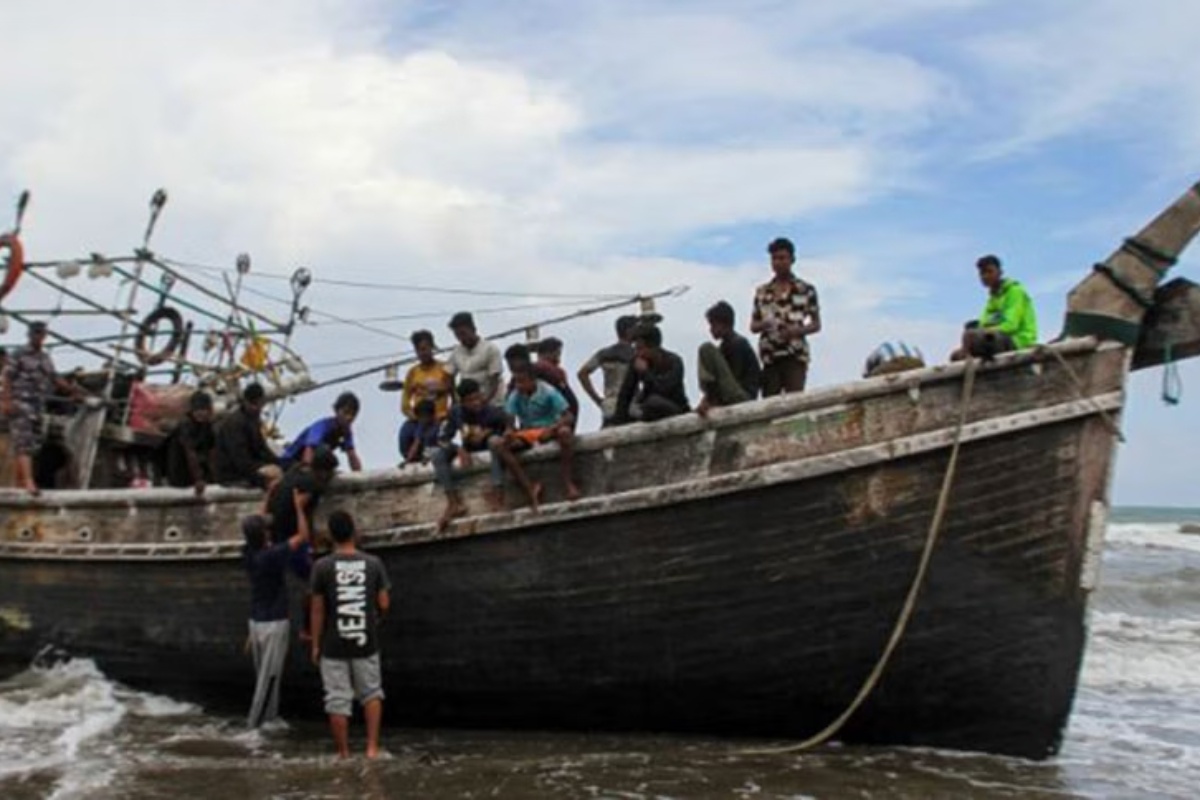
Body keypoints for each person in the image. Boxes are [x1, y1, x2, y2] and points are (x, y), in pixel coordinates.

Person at [310, 510, 391, 760]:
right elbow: (384, 603)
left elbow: (317, 610)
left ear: (331, 535)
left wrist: (315, 645)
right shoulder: (373, 563)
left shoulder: (322, 566)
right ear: (354, 531)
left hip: (333, 644)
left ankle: (344, 753)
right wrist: (376, 619)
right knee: (371, 693)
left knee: (337, 699)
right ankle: (372, 748)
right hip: (365, 640)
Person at [243, 484, 312, 728]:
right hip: (274, 623)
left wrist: (268, 495)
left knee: (264, 673)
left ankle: (268, 719)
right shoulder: (272, 555)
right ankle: (255, 727)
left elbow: (259, 523)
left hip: (256, 622)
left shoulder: (248, 552)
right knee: (270, 677)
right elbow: (302, 536)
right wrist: (299, 508)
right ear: (264, 534)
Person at [0, 321, 86, 494]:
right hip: (21, 403)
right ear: (30, 335)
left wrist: (73, 391)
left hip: (37, 405)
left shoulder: (45, 358)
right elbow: (7, 377)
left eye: (41, 334)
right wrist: (6, 401)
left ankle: (20, 483)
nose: (39, 337)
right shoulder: (19, 354)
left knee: (32, 445)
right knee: (23, 443)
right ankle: (28, 482)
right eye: (36, 333)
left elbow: (55, 378)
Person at [491, 362, 579, 511]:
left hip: (550, 429)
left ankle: (568, 482)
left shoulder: (548, 391)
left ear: (533, 380)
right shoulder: (515, 395)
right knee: (500, 445)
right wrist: (509, 433)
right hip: (528, 432)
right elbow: (510, 424)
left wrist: (554, 427)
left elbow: (568, 416)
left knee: (565, 433)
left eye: (522, 382)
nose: (519, 385)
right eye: (516, 382)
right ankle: (529, 487)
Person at [431, 378, 508, 527]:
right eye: (470, 400)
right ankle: (454, 503)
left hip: (489, 449)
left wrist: (487, 432)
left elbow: (506, 431)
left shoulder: (493, 412)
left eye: (478, 398)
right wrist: (458, 449)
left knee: (494, 443)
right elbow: (441, 439)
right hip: (469, 450)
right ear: (462, 402)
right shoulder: (456, 412)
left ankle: (498, 496)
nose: (476, 403)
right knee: (437, 455)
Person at [750, 237, 821, 396]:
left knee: (794, 401)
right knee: (770, 404)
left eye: (782, 258)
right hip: (770, 357)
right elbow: (753, 326)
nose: (778, 263)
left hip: (795, 355)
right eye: (774, 259)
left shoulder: (805, 289)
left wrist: (796, 331)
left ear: (792, 259)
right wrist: (766, 324)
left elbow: (816, 324)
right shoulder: (762, 292)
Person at [952, 255, 1039, 361]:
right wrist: (976, 328)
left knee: (972, 335)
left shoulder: (1015, 292)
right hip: (995, 337)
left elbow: (1011, 325)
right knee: (956, 355)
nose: (986, 276)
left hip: (1017, 340)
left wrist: (983, 331)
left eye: (989, 272)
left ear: (1000, 272)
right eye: (982, 273)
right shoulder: (993, 298)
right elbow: (984, 323)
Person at [613, 323, 690, 424]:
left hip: (675, 408)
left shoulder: (674, 361)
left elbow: (664, 389)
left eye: (640, 348)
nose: (637, 353)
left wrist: (646, 373)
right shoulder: (637, 361)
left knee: (653, 402)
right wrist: (618, 420)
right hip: (649, 409)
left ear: (653, 347)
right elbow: (626, 394)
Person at [696, 301, 761, 417]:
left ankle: (711, 399)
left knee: (706, 349)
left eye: (713, 325)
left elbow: (733, 378)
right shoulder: (724, 346)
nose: (711, 329)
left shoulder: (737, 344)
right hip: (733, 392)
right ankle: (710, 399)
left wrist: (712, 399)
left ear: (724, 324)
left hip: (743, 396)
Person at [214, 382, 283, 489]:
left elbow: (262, 449)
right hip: (232, 474)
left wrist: (281, 463)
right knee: (275, 476)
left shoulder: (253, 420)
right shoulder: (235, 423)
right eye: (253, 404)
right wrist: (258, 478)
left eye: (259, 404)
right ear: (245, 402)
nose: (257, 408)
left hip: (250, 466)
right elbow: (239, 458)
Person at [578, 315, 638, 428]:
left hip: (610, 404)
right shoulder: (635, 354)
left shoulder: (604, 354)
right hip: (631, 404)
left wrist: (598, 400)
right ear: (629, 331)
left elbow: (582, 373)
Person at [281, 392, 363, 472]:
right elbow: (309, 448)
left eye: (353, 414)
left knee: (331, 461)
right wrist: (306, 469)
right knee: (323, 451)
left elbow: (352, 454)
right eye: (346, 412)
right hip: (290, 460)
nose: (349, 418)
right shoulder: (323, 426)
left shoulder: (346, 432)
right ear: (336, 410)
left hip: (309, 461)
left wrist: (360, 475)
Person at [398, 329, 452, 450]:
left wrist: (448, 415)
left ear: (431, 347)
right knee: (405, 436)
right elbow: (405, 401)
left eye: (425, 349)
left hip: (439, 417)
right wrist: (413, 416)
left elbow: (454, 395)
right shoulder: (413, 372)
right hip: (419, 418)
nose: (422, 353)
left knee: (431, 438)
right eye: (418, 350)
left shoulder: (444, 368)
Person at [164, 390, 218, 494]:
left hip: (198, 470)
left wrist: (215, 477)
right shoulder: (186, 425)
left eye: (204, 410)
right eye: (197, 410)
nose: (200, 413)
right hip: (181, 473)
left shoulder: (207, 426)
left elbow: (212, 453)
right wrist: (198, 479)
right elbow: (190, 453)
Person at [446, 312, 504, 407]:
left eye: (463, 333)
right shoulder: (456, 352)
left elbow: (495, 380)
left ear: (473, 329)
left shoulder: (490, 349)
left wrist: (484, 401)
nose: (461, 338)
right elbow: (449, 376)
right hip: (468, 406)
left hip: (492, 404)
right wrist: (455, 399)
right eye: (457, 335)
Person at [534, 337, 580, 422]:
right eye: (558, 354)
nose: (559, 359)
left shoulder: (526, 370)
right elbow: (567, 397)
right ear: (547, 353)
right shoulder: (552, 369)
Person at [399, 399, 440, 464]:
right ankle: (425, 457)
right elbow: (416, 443)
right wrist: (407, 460)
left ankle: (426, 456)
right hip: (412, 453)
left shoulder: (417, 422)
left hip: (410, 452)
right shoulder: (421, 424)